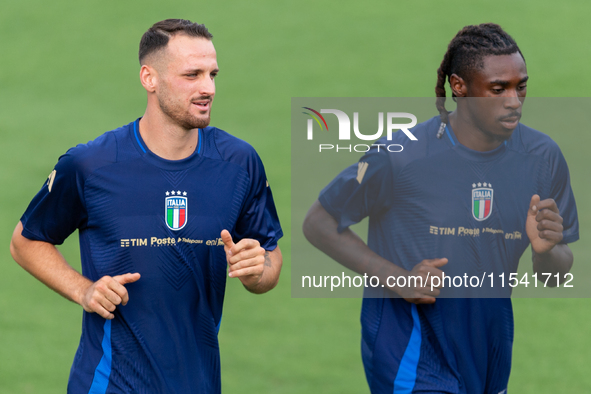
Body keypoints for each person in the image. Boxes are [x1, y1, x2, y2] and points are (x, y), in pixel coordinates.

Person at [10, 19, 283, 393]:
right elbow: (25, 241)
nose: (208, 88)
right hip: (109, 384)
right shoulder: (91, 165)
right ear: (149, 78)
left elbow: (269, 257)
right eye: (192, 75)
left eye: (212, 74)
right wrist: (84, 290)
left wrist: (258, 271)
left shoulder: (238, 164)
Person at [303, 23, 578, 393]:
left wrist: (547, 252)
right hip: (412, 356)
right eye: (498, 89)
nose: (514, 100)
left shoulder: (542, 159)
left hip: (488, 355)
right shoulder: (401, 157)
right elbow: (318, 222)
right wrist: (399, 279)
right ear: (459, 87)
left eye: (521, 86)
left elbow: (555, 275)